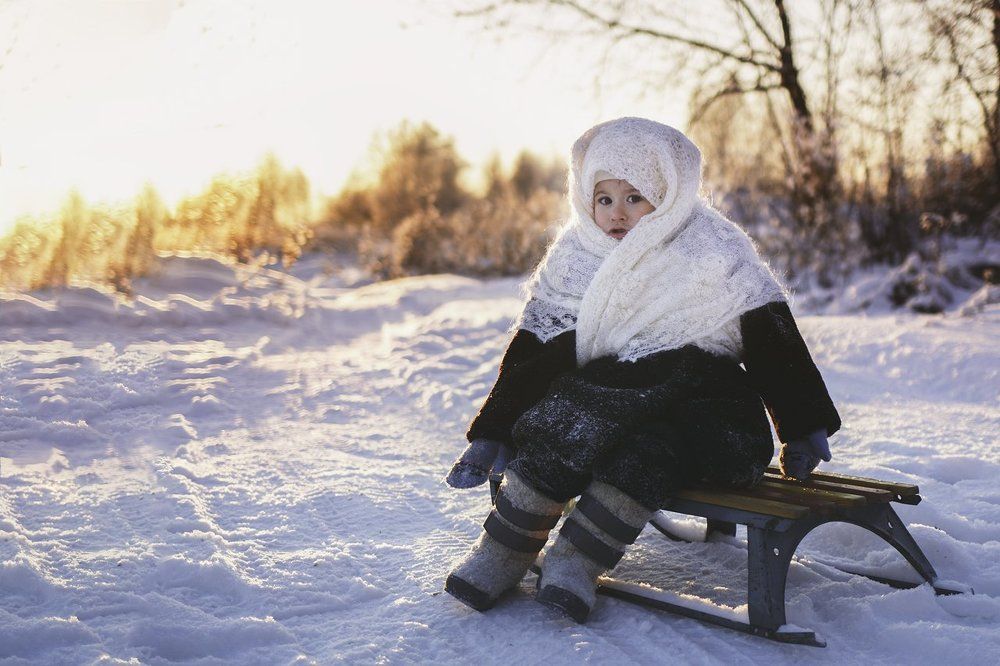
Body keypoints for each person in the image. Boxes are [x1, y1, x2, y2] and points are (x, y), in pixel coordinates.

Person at [443, 117, 840, 623]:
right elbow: (536, 352)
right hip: (615, 417)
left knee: (623, 419)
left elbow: (774, 343)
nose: (617, 213)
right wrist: (495, 430)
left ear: (669, 192)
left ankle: (570, 560)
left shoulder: (713, 249)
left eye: (635, 197)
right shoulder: (577, 256)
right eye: (604, 199)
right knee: (580, 423)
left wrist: (803, 426)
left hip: (709, 420)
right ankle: (511, 553)